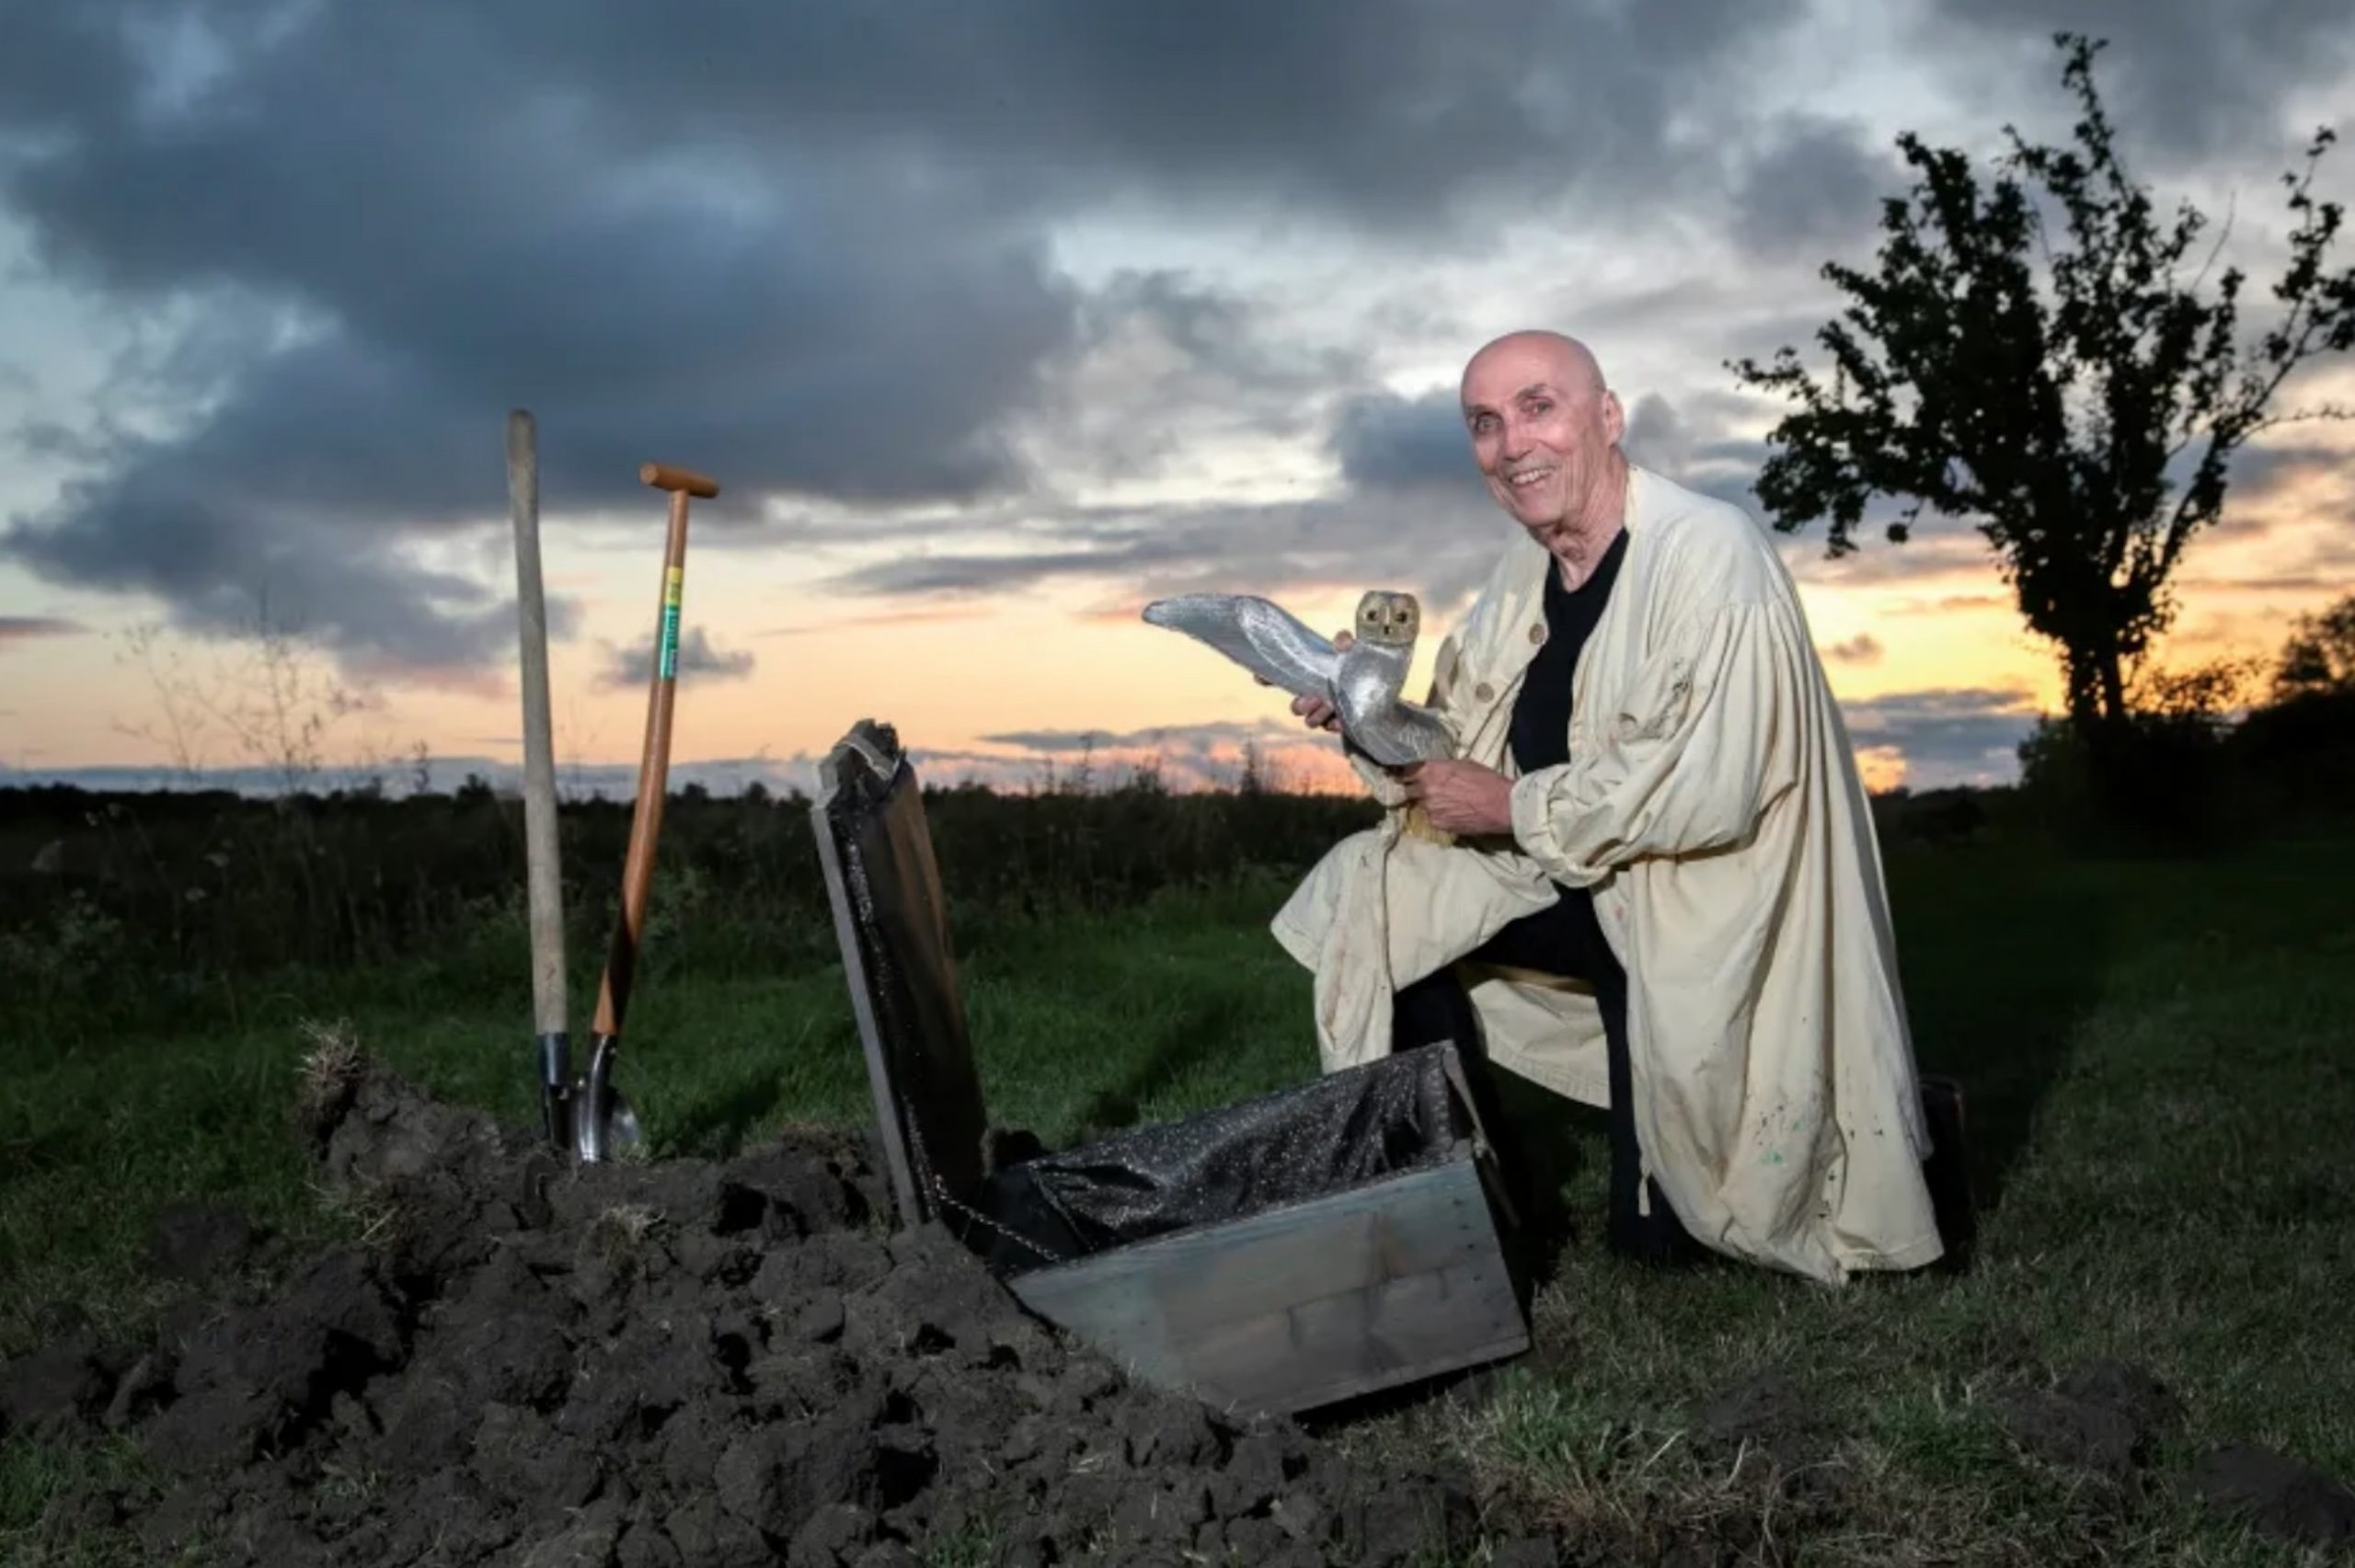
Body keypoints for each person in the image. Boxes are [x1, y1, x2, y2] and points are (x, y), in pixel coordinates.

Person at [1268, 330, 1947, 1284]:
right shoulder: (1522, 576)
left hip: (1702, 896)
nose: (1511, 445)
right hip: (1572, 876)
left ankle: (1868, 1116)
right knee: (1377, 897)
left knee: (1674, 1247)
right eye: (1484, 424)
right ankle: (1465, 1208)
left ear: (1608, 417)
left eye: (1537, 407)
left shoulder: (1710, 553)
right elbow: (1457, 740)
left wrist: (1513, 803)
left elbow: (1709, 780)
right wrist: (1366, 715)